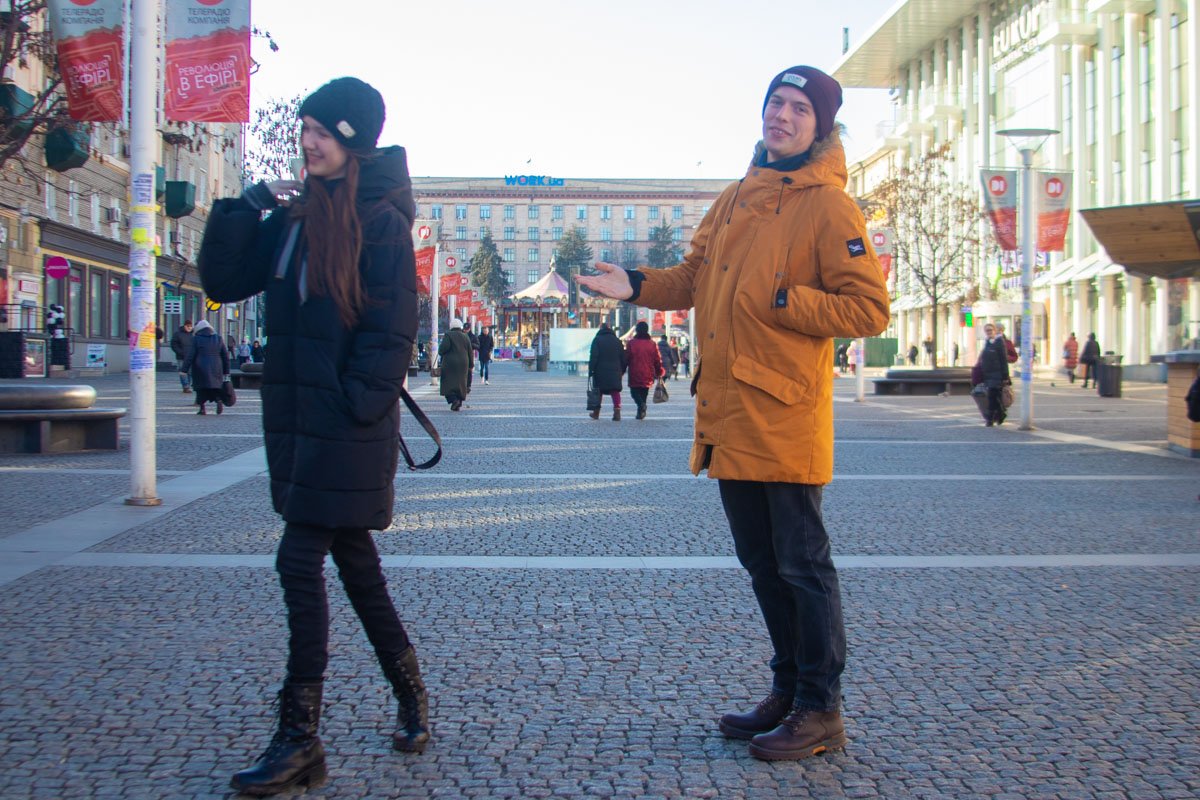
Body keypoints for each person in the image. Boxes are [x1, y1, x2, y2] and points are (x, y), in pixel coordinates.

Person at [578, 65, 889, 761]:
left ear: (821, 127)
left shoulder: (831, 207)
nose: (781, 116)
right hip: (730, 409)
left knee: (802, 563)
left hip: (785, 410)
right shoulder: (734, 196)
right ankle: (787, 691)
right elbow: (691, 277)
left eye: (799, 109)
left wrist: (788, 301)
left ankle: (821, 708)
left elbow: (868, 308)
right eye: (775, 103)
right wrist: (633, 284)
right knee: (762, 563)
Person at [198, 77, 429, 796]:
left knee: (299, 561)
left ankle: (300, 737)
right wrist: (246, 204)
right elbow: (224, 278)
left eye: (322, 131)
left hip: (342, 424)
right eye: (304, 131)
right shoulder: (297, 215)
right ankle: (413, 696)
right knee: (357, 568)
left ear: (353, 138)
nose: (309, 142)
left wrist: (354, 403)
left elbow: (393, 328)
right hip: (299, 422)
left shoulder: (381, 219)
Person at [181, 319, 230, 415]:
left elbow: (190, 355)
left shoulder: (196, 339)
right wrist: (226, 371)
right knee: (215, 387)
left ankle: (202, 408)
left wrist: (184, 369)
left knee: (201, 389)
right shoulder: (218, 338)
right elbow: (225, 356)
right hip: (216, 366)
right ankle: (218, 400)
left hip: (200, 366)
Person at [587, 322, 626, 421]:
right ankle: (617, 412)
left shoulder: (597, 340)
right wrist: (622, 370)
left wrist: (591, 370)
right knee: (615, 391)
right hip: (615, 371)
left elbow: (593, 356)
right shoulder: (617, 341)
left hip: (600, 370)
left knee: (598, 392)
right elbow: (623, 357)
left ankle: (596, 413)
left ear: (600, 329)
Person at [626, 321, 664, 420]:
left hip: (634, 371)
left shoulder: (631, 343)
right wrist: (659, 371)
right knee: (644, 393)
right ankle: (641, 411)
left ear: (637, 330)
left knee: (634, 392)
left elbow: (627, 357)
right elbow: (657, 359)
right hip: (648, 372)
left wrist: (621, 369)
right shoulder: (652, 344)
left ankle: (641, 407)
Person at [976, 322, 1010, 426]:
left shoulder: (999, 342)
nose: (989, 332)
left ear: (995, 331)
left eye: (990, 330)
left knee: (992, 396)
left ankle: (990, 419)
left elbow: (1003, 360)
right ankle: (1000, 415)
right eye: (987, 330)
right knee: (994, 397)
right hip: (988, 375)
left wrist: (1005, 376)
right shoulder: (987, 342)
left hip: (998, 374)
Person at [439, 318, 473, 410]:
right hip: (464, 362)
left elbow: (443, 348)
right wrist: (471, 365)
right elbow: (470, 351)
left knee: (447, 382)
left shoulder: (448, 335)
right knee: (461, 382)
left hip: (450, 363)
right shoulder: (465, 336)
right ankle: (459, 401)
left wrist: (440, 352)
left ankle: (454, 400)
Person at [170, 319, 194, 393]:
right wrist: (180, 352)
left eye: (190, 326)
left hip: (190, 357)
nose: (189, 328)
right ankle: (185, 386)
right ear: (184, 326)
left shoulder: (193, 334)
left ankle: (188, 386)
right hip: (181, 357)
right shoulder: (178, 334)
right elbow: (174, 344)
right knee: (183, 372)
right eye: (188, 326)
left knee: (190, 372)